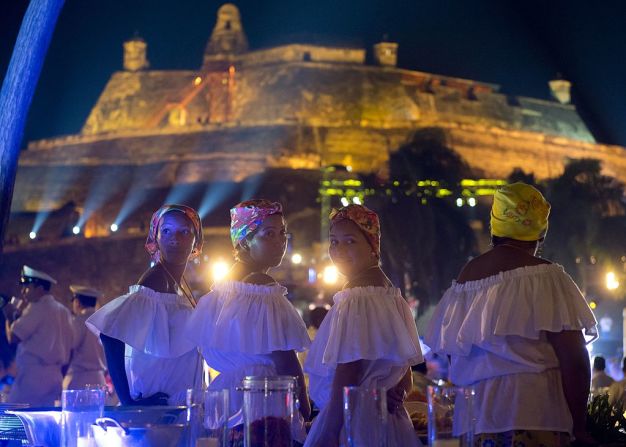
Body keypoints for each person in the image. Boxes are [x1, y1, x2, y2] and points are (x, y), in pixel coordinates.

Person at [424, 182, 597, 446]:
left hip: (474, 422)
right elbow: (574, 358)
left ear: (495, 226)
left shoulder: (464, 280)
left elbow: (454, 354)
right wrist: (581, 426)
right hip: (537, 418)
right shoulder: (548, 276)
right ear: (540, 233)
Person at [187, 199, 311, 446]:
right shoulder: (260, 286)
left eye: (282, 232)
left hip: (227, 398)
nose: (280, 241)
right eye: (268, 234)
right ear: (244, 241)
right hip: (264, 397)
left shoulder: (219, 289)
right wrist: (304, 403)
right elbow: (283, 355)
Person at [304, 204, 423, 447]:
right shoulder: (389, 292)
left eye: (350, 241)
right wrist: (397, 386)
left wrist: (330, 429)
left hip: (355, 419)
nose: (339, 250)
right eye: (334, 242)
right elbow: (404, 363)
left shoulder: (358, 295)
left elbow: (349, 367)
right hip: (385, 418)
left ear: (372, 247)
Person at [86, 204, 204, 405]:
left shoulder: (177, 283)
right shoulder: (155, 281)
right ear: (155, 238)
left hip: (173, 405)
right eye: (166, 231)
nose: (175, 239)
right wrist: (128, 402)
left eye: (184, 231)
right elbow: (110, 336)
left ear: (196, 240)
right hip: (158, 408)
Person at [2, 266, 74, 405]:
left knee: (16, 416)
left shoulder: (36, 307)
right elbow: (71, 347)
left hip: (33, 376)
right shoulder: (63, 310)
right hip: (55, 375)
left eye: (27, 286)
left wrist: (8, 316)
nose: (23, 291)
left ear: (39, 288)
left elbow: (14, 337)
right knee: (45, 420)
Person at [63, 285, 107, 391]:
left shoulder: (79, 321)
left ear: (78, 302)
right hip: (99, 379)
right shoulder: (103, 322)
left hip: (79, 379)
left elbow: (69, 347)